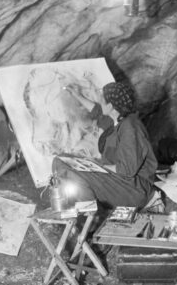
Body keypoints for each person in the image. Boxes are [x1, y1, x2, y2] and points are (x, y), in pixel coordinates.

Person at [52, 81, 160, 211]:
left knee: (74, 173)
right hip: (119, 179)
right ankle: (84, 206)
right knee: (60, 160)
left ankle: (91, 216)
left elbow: (126, 170)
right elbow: (97, 111)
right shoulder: (115, 119)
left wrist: (97, 166)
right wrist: (77, 95)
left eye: (102, 100)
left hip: (134, 189)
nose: (99, 101)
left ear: (111, 106)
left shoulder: (130, 127)